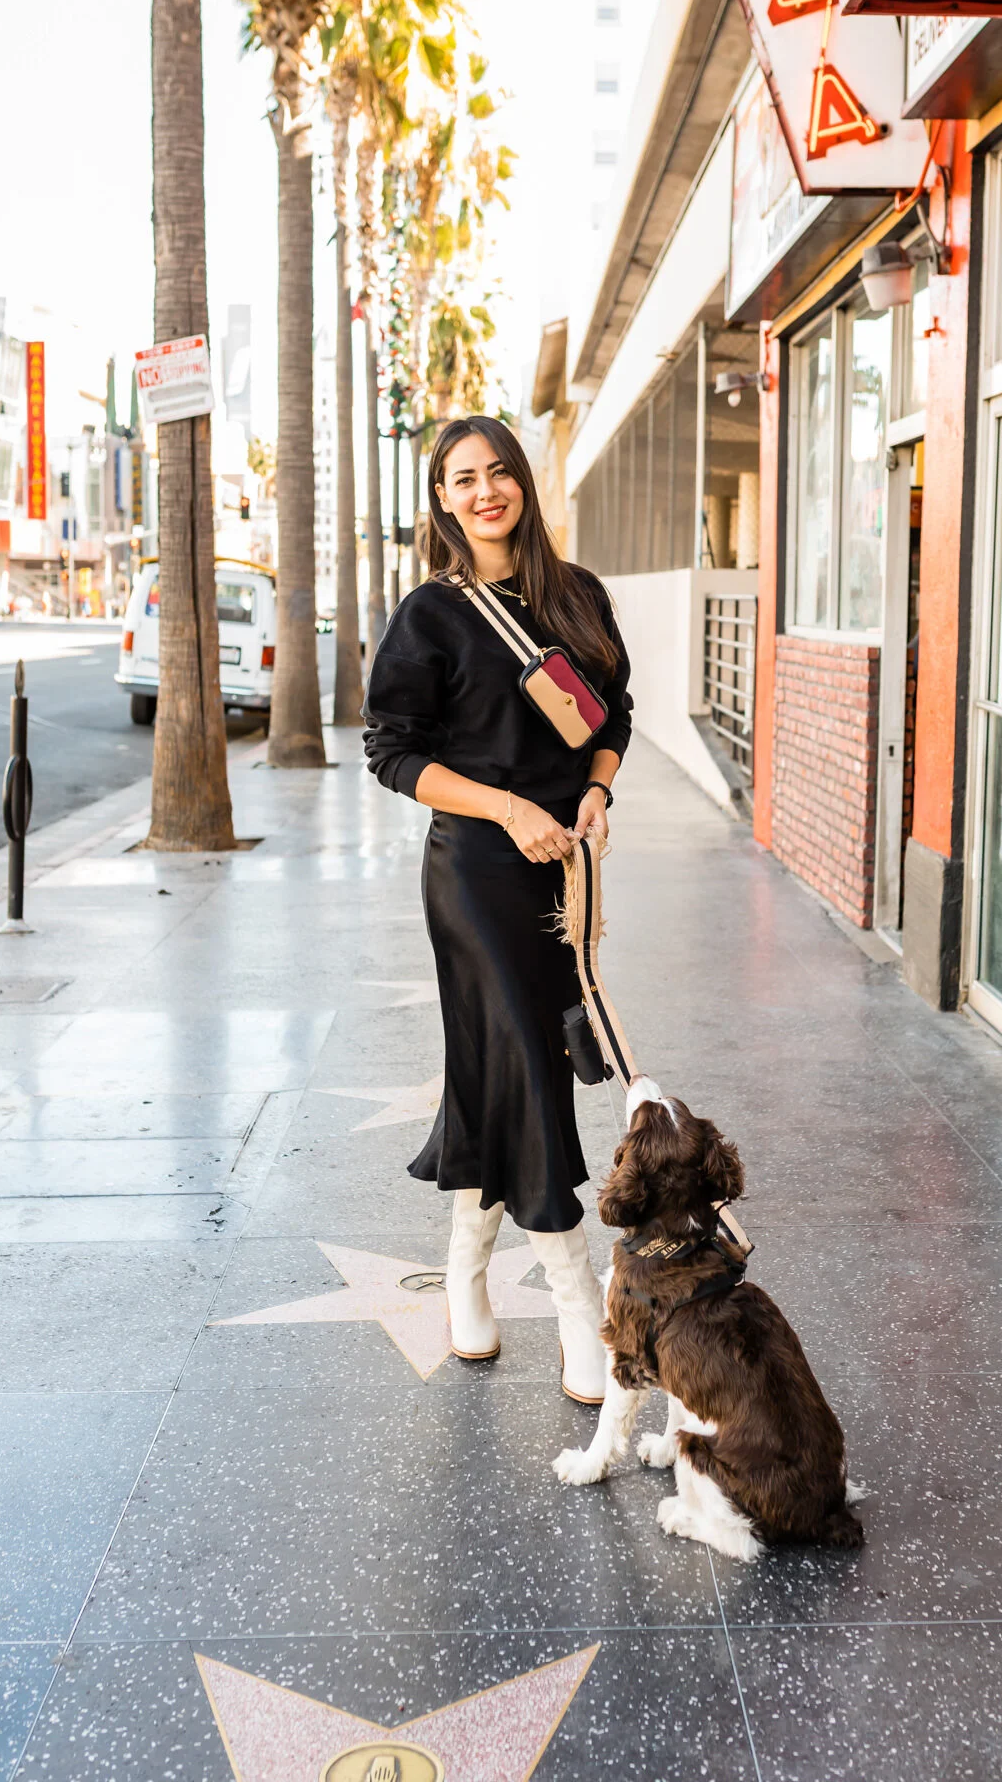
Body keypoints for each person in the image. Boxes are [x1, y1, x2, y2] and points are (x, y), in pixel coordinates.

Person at [363, 414, 633, 1404]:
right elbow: (391, 752)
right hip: (476, 867)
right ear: (441, 498)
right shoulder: (428, 616)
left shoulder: (578, 595)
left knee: (506, 1063)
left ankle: (466, 1270)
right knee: (528, 1056)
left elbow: (614, 714)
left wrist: (594, 789)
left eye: (498, 472)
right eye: (462, 478)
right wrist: (509, 806)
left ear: (522, 479)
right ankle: (575, 1299)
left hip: (561, 869)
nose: (485, 491)